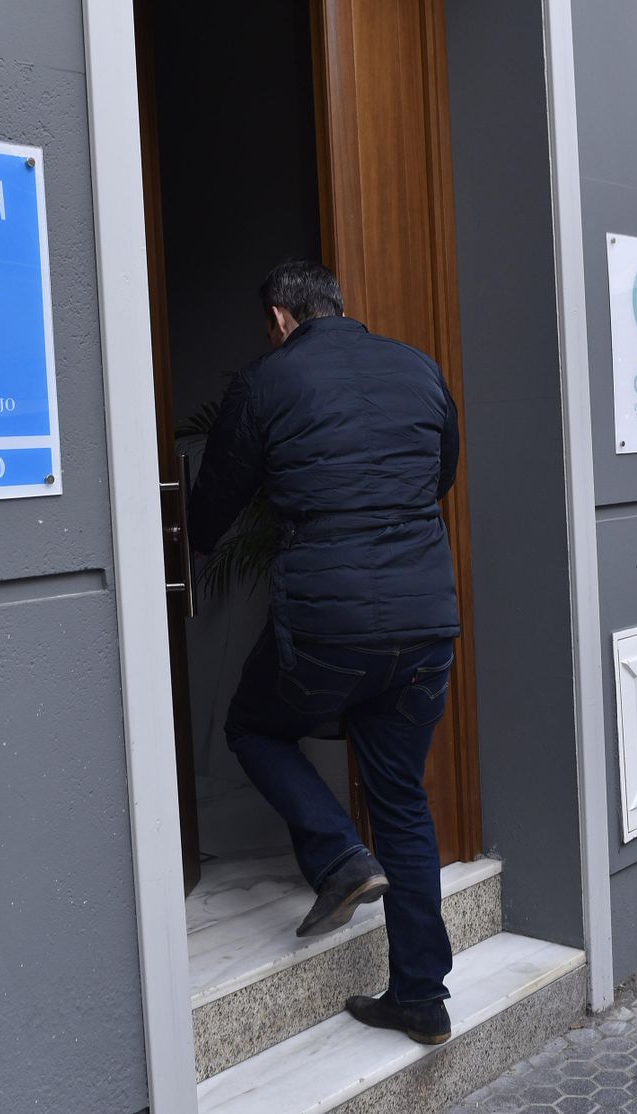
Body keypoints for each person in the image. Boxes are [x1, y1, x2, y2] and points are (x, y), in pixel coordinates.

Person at [187, 260, 461, 1046]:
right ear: (338, 307)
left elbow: (213, 510)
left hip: (329, 625)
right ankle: (421, 998)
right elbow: (439, 476)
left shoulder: (266, 382)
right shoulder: (419, 368)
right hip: (423, 624)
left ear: (279, 318)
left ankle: (340, 854)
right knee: (402, 800)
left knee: (252, 724)